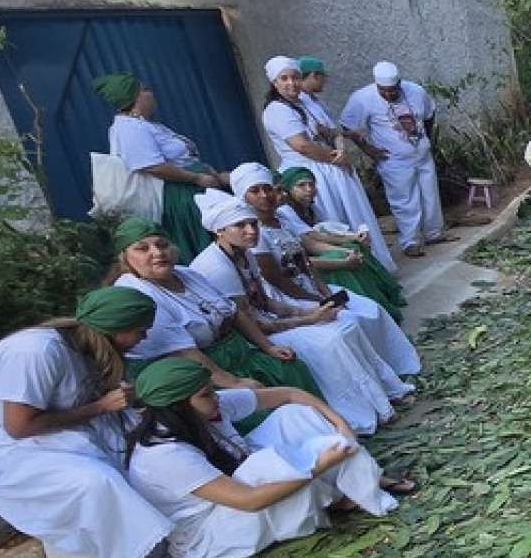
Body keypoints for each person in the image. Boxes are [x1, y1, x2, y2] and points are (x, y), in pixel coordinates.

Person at [0, 287, 174, 558]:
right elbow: (19, 426)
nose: (143, 338)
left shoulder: (83, 346)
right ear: (115, 331)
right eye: (139, 331)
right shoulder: (35, 352)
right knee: (96, 480)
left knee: (151, 437)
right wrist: (101, 407)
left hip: (65, 430)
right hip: (14, 448)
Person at [124, 359, 402, 558]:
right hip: (213, 529)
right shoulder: (164, 455)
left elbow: (292, 394)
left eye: (211, 390)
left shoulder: (206, 408)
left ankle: (350, 485)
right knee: (266, 465)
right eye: (206, 395)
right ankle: (344, 490)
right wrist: (317, 468)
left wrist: (342, 425)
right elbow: (249, 501)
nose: (216, 398)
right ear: (177, 406)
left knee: (293, 415)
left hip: (237, 475)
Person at [188, 191, 411, 434]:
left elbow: (267, 302)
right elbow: (249, 321)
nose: (251, 231)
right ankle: (356, 416)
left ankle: (383, 396)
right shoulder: (217, 267)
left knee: (345, 325)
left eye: (252, 223)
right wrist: (307, 319)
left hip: (267, 321)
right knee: (330, 341)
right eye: (240, 225)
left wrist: (311, 310)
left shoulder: (245, 254)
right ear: (219, 230)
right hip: (251, 338)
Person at [230, 163, 420, 374]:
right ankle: (375, 373)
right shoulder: (255, 235)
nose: (264, 195)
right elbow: (280, 282)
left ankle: (395, 366)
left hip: (311, 288)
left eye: (267, 188)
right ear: (243, 197)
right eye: (255, 191)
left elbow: (306, 260)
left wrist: (325, 292)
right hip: (289, 298)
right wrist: (316, 301)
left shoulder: (282, 218)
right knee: (348, 320)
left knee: (371, 309)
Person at [112, 217, 319, 400]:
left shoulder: (186, 274)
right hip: (203, 375)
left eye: (162, 244)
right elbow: (183, 352)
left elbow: (235, 312)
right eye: (142, 248)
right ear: (125, 257)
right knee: (256, 403)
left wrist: (267, 347)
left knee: (291, 368)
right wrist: (235, 383)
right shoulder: (136, 293)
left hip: (238, 354)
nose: (157, 253)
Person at [260, 56, 394, 271]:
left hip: (329, 169)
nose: (291, 83)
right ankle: (350, 266)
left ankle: (372, 267)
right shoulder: (277, 110)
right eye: (283, 79)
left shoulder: (304, 102)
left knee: (353, 217)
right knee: (332, 222)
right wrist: (335, 157)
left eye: (295, 77)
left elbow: (328, 130)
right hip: (311, 172)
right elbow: (302, 146)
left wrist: (338, 144)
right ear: (274, 83)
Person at [96, 72, 222, 262]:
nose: (151, 93)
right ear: (135, 97)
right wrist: (196, 178)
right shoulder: (129, 128)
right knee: (209, 244)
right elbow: (152, 166)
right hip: (180, 194)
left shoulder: (141, 124)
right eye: (145, 90)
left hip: (192, 187)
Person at [339, 62, 448, 258]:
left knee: (430, 195)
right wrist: (368, 148)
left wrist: (428, 140)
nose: (388, 94)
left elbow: (430, 114)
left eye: (393, 90)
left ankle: (434, 233)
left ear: (400, 83)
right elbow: (347, 127)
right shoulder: (363, 98)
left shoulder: (415, 91)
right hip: (393, 160)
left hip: (422, 155)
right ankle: (411, 241)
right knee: (405, 201)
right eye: (384, 91)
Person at [275, 167, 406, 316]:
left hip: (308, 263)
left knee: (352, 249)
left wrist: (349, 248)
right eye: (301, 185)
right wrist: (344, 257)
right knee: (342, 258)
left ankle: (380, 302)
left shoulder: (285, 214)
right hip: (301, 276)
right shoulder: (284, 211)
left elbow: (311, 242)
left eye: (311, 184)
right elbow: (304, 256)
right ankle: (363, 310)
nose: (308, 189)